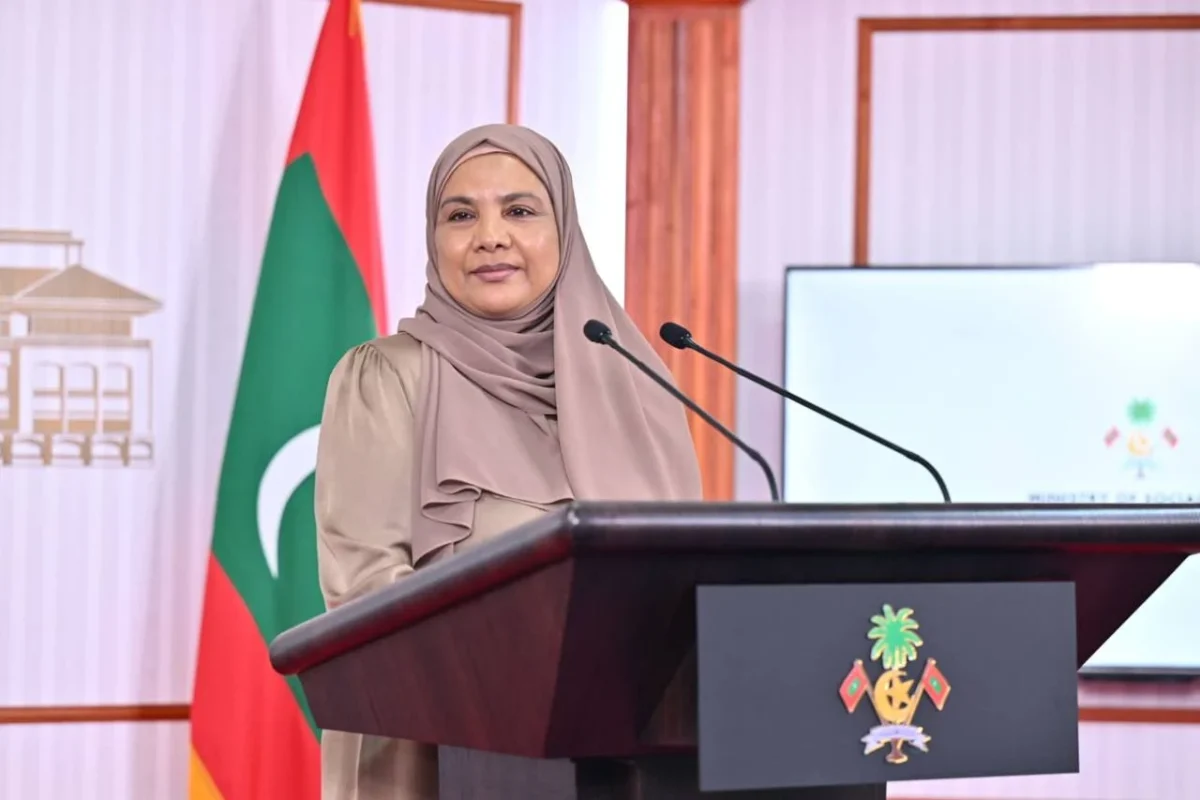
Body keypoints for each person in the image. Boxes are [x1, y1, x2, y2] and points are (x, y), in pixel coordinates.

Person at [311, 123, 704, 799]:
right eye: (461, 215)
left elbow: (683, 582)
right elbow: (364, 589)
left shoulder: (635, 385)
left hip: (631, 753)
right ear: (435, 239)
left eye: (520, 210)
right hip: (440, 753)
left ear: (565, 231)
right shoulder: (388, 376)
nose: (490, 236)